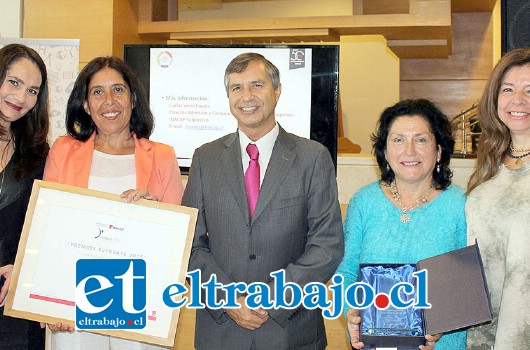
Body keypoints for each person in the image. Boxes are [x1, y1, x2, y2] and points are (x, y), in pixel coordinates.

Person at [182, 52, 344, 349]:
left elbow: (327, 245)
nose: (247, 96)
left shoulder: (313, 158)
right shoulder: (205, 158)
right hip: (221, 332)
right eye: (236, 88)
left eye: (257, 85)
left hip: (290, 331)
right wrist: (227, 298)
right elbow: (189, 243)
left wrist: (270, 300)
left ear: (277, 90)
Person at [43, 56, 184, 349]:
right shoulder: (63, 151)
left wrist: (155, 211)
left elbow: (179, 241)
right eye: (97, 92)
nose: (109, 101)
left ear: (132, 99)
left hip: (140, 299)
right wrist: (51, 299)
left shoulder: (162, 155)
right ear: (85, 104)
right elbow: (47, 231)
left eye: (118, 90)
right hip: (76, 299)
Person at [335, 99, 467, 350]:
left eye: (421, 139)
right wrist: (351, 311)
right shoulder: (364, 202)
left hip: (442, 344)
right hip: (374, 342)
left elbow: (467, 284)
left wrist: (442, 324)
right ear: (384, 152)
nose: (409, 151)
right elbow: (346, 272)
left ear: (439, 150)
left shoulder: (461, 205)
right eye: (398, 140)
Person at [465, 48, 530, 349]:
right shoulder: (491, 162)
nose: (518, 100)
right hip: (485, 326)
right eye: (508, 89)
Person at [0, 43, 49, 349]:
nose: (21, 98)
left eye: (32, 91)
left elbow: (46, 227)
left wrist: (24, 264)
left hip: (13, 297)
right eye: (14, 83)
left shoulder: (40, 153)